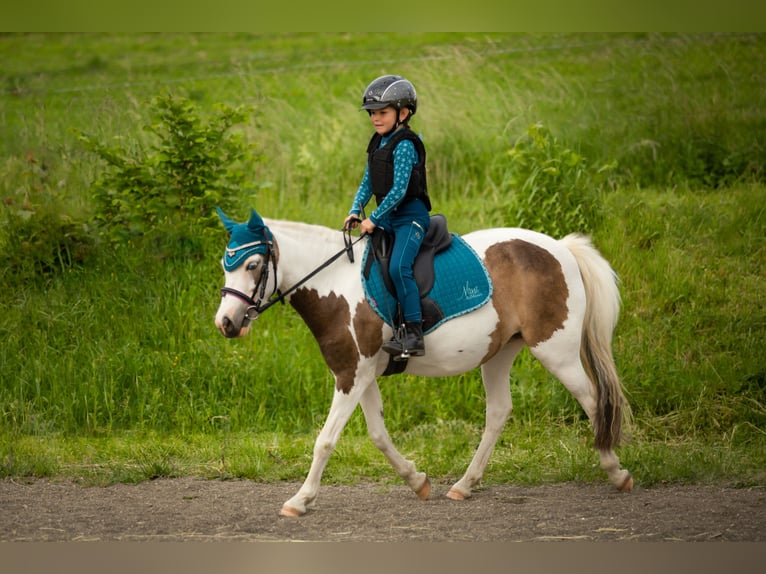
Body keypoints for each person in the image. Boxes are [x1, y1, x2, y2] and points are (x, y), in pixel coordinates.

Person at [344, 74, 432, 359]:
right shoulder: (378, 142)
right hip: (389, 218)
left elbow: (399, 190)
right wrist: (356, 209)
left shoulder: (405, 144)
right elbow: (369, 181)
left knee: (397, 268)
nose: (375, 119)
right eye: (372, 113)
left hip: (410, 218)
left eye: (382, 112)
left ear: (403, 113)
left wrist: (374, 219)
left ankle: (414, 333)